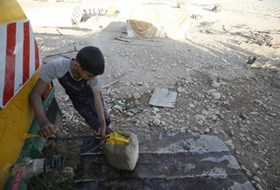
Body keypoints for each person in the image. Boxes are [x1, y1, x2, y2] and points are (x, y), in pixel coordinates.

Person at [30, 46, 111, 138]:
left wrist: (103, 123)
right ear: (77, 66)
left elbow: (97, 98)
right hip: (77, 99)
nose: (93, 79)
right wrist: (44, 122)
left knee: (105, 120)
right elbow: (35, 94)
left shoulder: (93, 76)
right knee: (92, 121)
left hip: (91, 96)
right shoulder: (57, 67)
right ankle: (99, 131)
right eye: (90, 75)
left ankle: (105, 128)